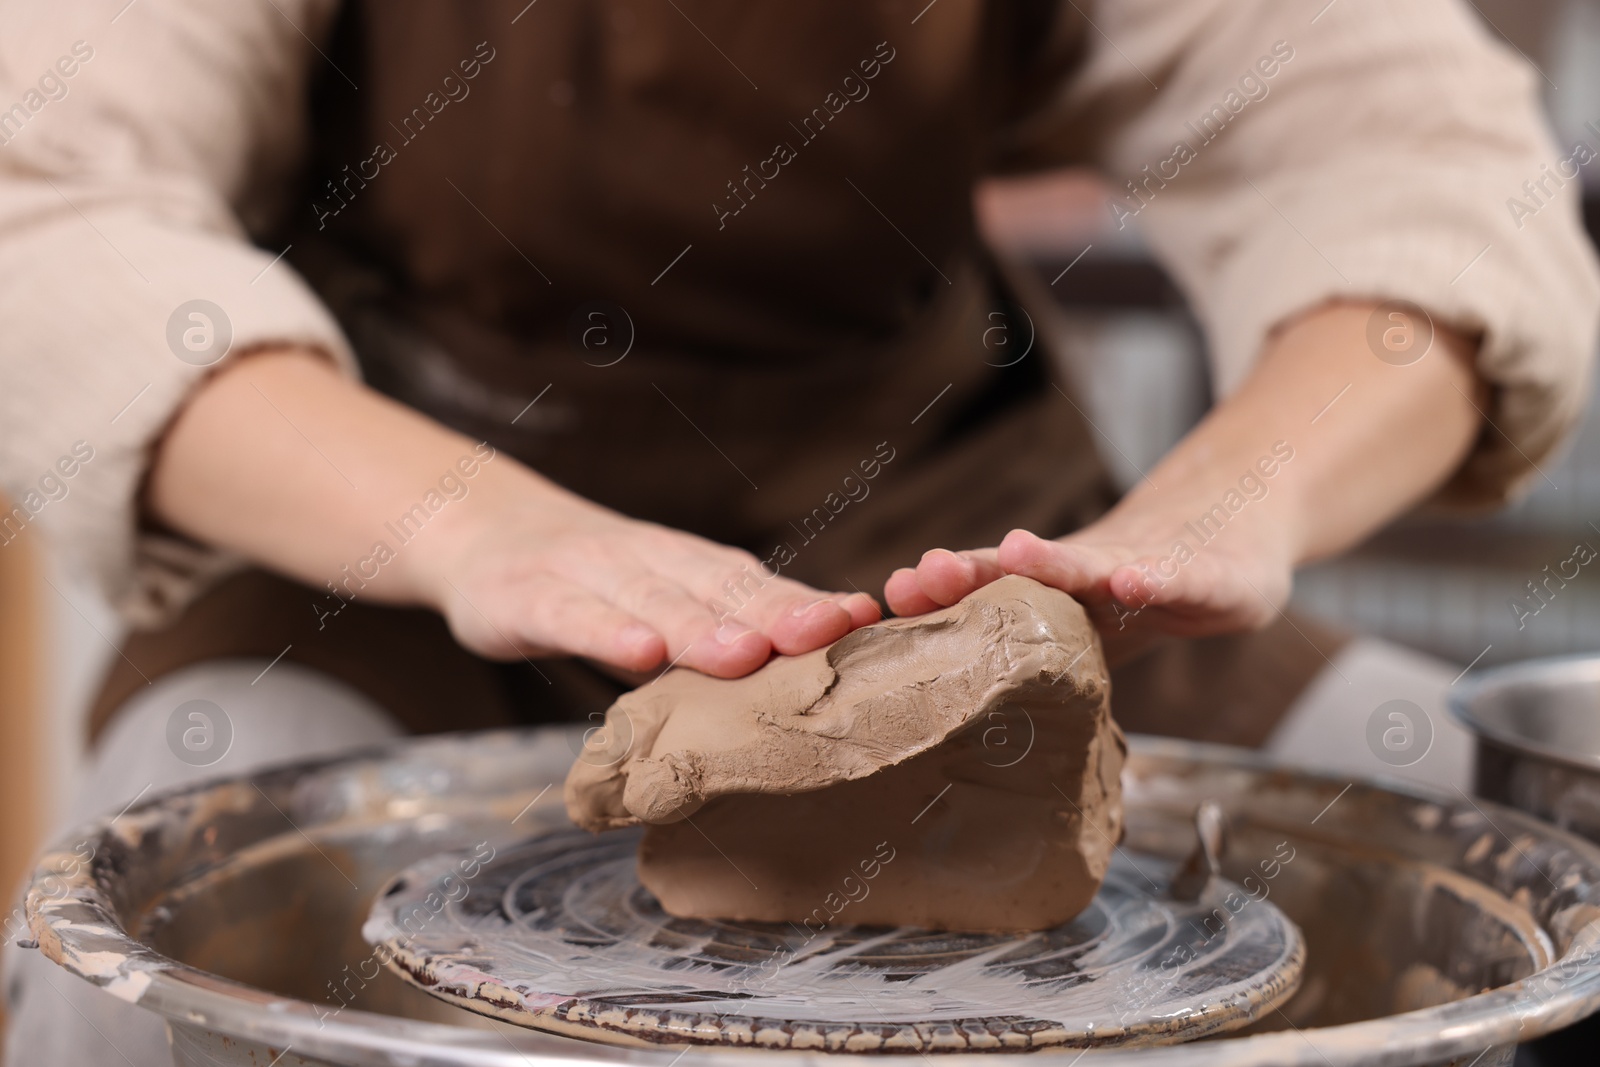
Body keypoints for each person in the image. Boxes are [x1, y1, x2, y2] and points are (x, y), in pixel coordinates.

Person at [0, 1, 1595, 1063]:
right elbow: (42, 198)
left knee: (1426, 817)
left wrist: (1241, 501)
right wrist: (471, 527)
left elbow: (1415, 159)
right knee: (142, 974)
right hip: (388, 517)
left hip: (952, 542)